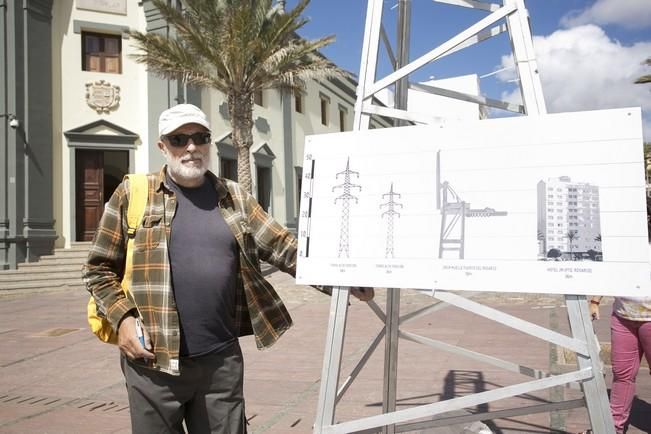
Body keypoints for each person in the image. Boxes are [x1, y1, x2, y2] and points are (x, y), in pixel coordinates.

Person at [83, 103, 374, 434]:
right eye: (179, 139)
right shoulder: (133, 193)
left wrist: (344, 278)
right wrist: (122, 319)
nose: (191, 147)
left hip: (220, 361)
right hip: (152, 363)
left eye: (200, 137)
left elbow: (283, 247)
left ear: (209, 142)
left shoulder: (234, 196)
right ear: (163, 146)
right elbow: (98, 268)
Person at [589, 201, 651, 434]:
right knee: (622, 376)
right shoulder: (623, 243)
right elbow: (611, 272)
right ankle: (613, 428)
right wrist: (595, 300)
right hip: (623, 316)